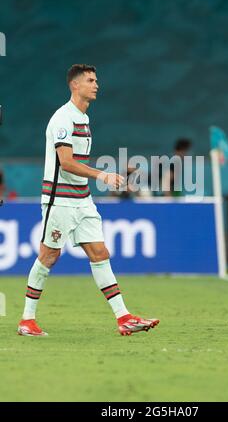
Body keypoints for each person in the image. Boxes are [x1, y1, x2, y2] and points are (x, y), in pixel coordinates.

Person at [17, 64, 159, 337]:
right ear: (75, 85)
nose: (96, 85)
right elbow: (66, 163)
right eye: (91, 80)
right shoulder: (63, 118)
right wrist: (101, 175)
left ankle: (124, 317)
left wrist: (94, 178)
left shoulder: (83, 119)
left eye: (96, 80)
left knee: (100, 253)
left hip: (82, 199)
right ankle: (27, 320)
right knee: (49, 255)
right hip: (59, 200)